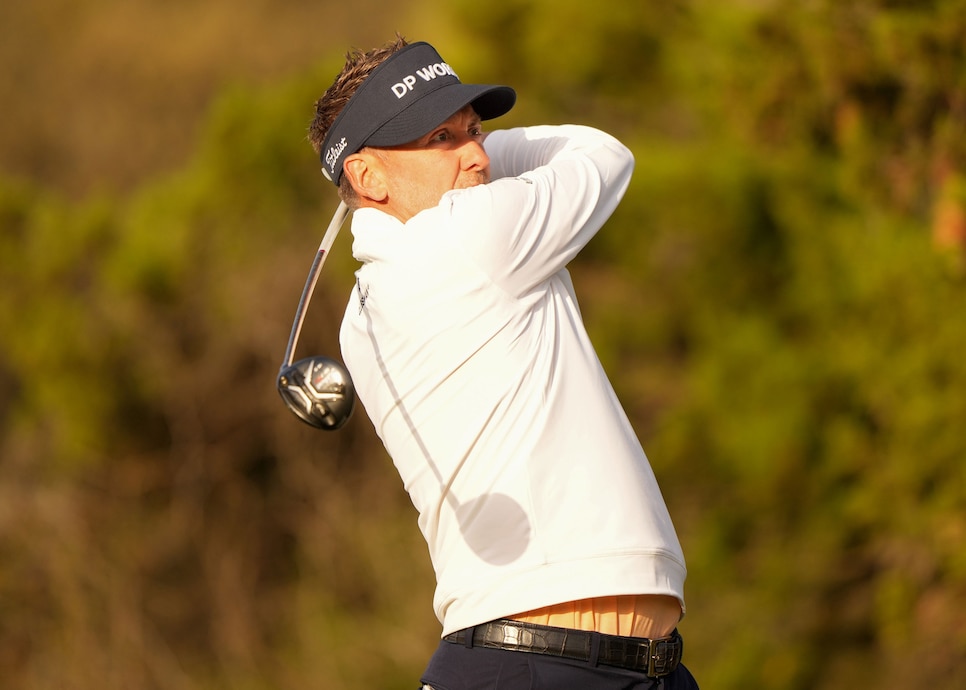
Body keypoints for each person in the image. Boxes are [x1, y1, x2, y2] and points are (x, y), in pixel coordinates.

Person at [308, 36, 700, 690]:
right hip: (532, 668)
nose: (476, 153)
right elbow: (604, 153)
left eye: (476, 129)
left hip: (627, 667)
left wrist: (459, 154)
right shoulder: (469, 237)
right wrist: (487, 159)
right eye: (438, 137)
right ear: (366, 175)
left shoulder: (360, 315)